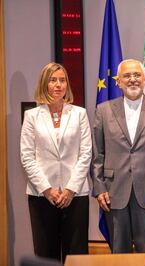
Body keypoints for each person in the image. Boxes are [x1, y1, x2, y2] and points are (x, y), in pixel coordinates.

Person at [91, 59, 145, 253]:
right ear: (118, 81)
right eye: (127, 76)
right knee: (119, 253)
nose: (132, 79)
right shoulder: (103, 110)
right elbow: (97, 153)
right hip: (113, 193)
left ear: (144, 80)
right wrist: (99, 188)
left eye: (137, 75)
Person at [20, 62, 92, 263]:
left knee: (76, 255)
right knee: (45, 254)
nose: (58, 85)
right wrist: (47, 189)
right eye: (53, 80)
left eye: (62, 80)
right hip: (42, 196)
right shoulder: (32, 116)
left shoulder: (80, 114)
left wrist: (70, 189)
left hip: (75, 195)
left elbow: (85, 153)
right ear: (45, 84)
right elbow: (27, 156)